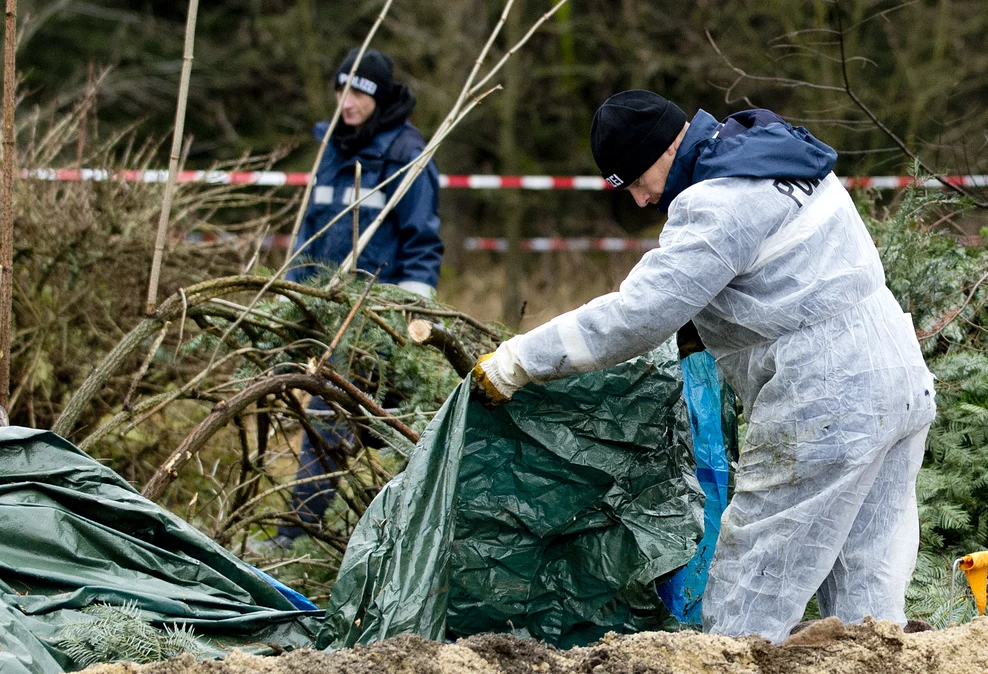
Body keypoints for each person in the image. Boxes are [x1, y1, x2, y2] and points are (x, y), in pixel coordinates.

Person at [471, 90, 936, 643]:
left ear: (666, 148)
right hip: (898, 373)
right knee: (870, 597)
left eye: (635, 180)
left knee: (750, 592)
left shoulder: (719, 202)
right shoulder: (776, 156)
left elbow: (637, 316)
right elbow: (780, 280)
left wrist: (519, 360)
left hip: (825, 397)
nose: (642, 201)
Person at [273, 48, 444, 548]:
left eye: (358, 94)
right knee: (359, 424)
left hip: (378, 317)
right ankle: (370, 534)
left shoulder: (404, 152)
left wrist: (408, 314)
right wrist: (293, 297)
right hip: (328, 309)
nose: (346, 103)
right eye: (340, 90)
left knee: (343, 421)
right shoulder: (331, 148)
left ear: (380, 97)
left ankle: (296, 536)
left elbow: (423, 240)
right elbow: (311, 231)